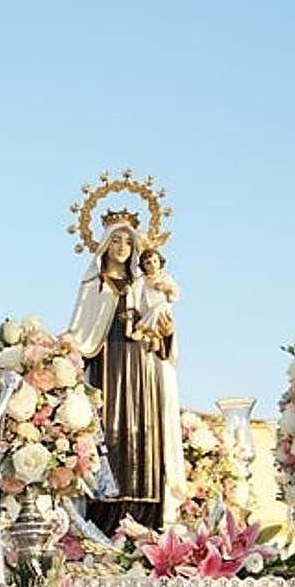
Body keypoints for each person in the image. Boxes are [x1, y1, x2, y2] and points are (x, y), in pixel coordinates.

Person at [67, 223, 185, 531]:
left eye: (128, 242)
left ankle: (147, 518)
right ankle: (106, 517)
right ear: (105, 245)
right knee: (111, 430)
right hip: (108, 364)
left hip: (144, 365)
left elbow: (162, 333)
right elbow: (82, 333)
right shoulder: (95, 283)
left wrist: (167, 331)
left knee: (145, 431)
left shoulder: (143, 283)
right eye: (116, 240)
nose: (122, 246)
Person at [130, 248, 179, 353]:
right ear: (143, 266)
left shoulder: (165, 278)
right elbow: (135, 293)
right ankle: (154, 338)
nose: (152, 265)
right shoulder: (142, 280)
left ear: (160, 262)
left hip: (163, 309)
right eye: (148, 263)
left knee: (157, 310)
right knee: (153, 312)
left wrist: (166, 288)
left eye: (155, 261)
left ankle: (141, 329)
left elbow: (175, 294)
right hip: (147, 309)